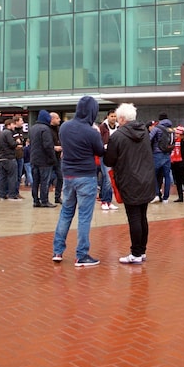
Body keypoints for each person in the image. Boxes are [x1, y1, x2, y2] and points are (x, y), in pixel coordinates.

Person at [51, 96, 106, 266]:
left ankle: (58, 251)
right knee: (84, 216)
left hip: (68, 175)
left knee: (66, 213)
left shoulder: (65, 127)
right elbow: (100, 151)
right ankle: (81, 255)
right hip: (86, 176)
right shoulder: (91, 131)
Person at [104, 103, 157, 264]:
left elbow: (109, 160)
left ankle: (136, 253)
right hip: (146, 179)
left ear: (121, 118)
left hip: (129, 180)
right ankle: (141, 251)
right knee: (142, 216)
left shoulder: (117, 136)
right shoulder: (145, 133)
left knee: (134, 217)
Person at [29, 110, 58, 208]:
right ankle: (44, 201)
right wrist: (53, 158)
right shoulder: (46, 129)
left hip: (34, 159)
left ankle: (35, 200)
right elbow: (48, 146)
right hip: (44, 160)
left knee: (35, 181)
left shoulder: (32, 128)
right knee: (45, 181)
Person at [0, 117, 23, 200]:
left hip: (1, 157)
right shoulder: (8, 133)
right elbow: (12, 143)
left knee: (3, 177)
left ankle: (2, 194)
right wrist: (17, 143)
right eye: (13, 124)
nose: (14, 126)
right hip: (9, 157)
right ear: (9, 125)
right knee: (12, 176)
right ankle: (12, 194)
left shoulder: (0, 134)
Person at [150, 113, 174, 202]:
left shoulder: (156, 128)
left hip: (157, 154)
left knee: (154, 175)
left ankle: (156, 194)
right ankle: (166, 198)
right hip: (167, 155)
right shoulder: (171, 130)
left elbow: (149, 139)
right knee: (167, 176)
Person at [98, 110, 119, 210]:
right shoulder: (102, 127)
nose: (113, 118)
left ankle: (109, 201)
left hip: (115, 155)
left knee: (111, 178)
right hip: (105, 155)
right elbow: (98, 140)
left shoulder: (118, 127)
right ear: (107, 117)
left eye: (115, 116)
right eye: (112, 116)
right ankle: (104, 201)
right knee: (107, 178)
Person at [170, 125, 184, 202]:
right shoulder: (173, 141)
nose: (176, 135)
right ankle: (180, 197)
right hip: (174, 163)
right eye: (175, 133)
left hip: (183, 163)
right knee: (177, 181)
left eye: (178, 134)